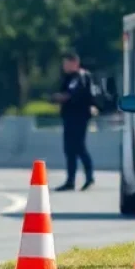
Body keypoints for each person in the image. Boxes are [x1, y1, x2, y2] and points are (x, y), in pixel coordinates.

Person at [53, 51, 95, 192]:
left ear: (74, 63)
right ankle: (70, 181)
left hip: (78, 116)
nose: (64, 66)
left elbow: (71, 94)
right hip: (70, 116)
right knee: (70, 149)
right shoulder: (70, 77)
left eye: (66, 63)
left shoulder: (79, 76)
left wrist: (59, 97)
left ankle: (89, 177)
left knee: (78, 147)